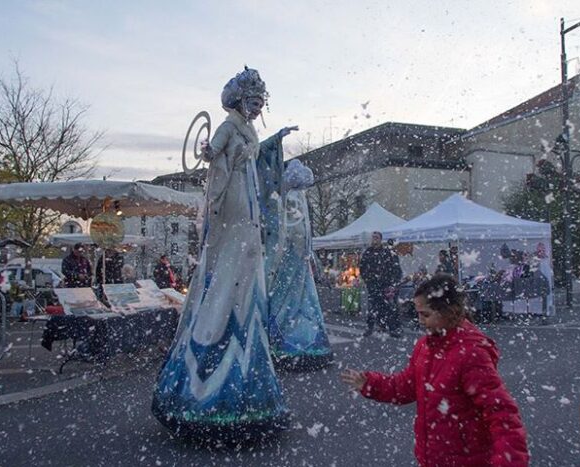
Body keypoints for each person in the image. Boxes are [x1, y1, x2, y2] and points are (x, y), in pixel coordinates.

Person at [152, 67, 294, 439]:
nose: (257, 107)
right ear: (239, 101)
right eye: (253, 101)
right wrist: (207, 151)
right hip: (232, 201)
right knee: (234, 254)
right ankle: (212, 367)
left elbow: (255, 153)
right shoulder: (229, 125)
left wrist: (276, 138)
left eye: (260, 102)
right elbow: (213, 152)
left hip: (246, 201)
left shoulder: (247, 129)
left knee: (246, 258)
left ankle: (238, 316)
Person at [341, 274, 529, 466]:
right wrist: (370, 383)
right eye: (418, 313)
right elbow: (405, 386)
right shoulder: (426, 346)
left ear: (448, 311)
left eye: (425, 314)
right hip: (435, 458)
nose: (420, 321)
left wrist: (509, 460)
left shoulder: (471, 354)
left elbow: (502, 414)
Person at [267, 160, 332, 370]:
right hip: (295, 255)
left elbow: (295, 229)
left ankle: (286, 343)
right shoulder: (295, 198)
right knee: (294, 295)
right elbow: (298, 229)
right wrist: (303, 249)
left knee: (289, 295)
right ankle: (298, 343)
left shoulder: (290, 197)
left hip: (293, 256)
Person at [359, 231, 399, 337]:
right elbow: (362, 267)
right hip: (372, 284)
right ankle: (370, 328)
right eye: (373, 237)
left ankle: (391, 328)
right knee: (372, 307)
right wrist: (367, 279)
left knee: (388, 306)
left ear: (381, 239)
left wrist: (391, 281)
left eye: (376, 237)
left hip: (384, 284)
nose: (374, 239)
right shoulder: (368, 252)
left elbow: (392, 267)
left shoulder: (386, 252)